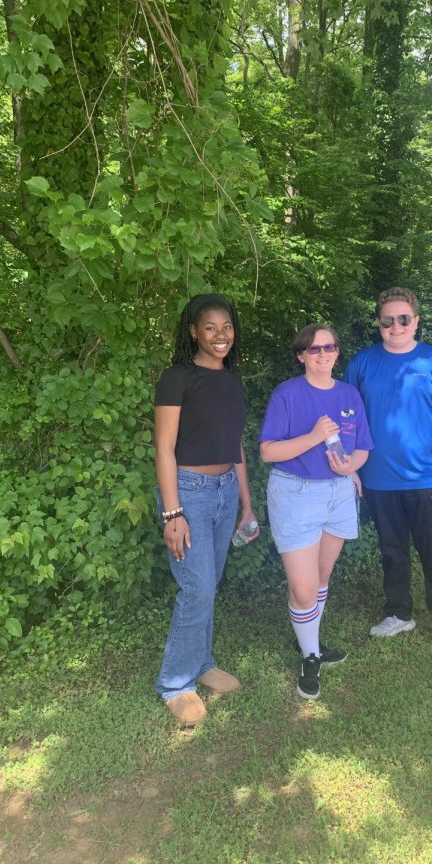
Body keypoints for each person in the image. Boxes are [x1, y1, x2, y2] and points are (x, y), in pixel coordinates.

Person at [154, 293, 259, 726]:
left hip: (224, 489)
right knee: (196, 587)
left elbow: (235, 446)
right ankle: (175, 683)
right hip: (188, 491)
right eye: (210, 328)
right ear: (193, 331)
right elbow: (163, 448)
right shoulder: (177, 377)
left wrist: (247, 502)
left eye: (227, 327)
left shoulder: (232, 382)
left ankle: (201, 664)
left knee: (209, 583)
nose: (221, 336)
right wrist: (172, 513)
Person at [344, 287, 432, 657]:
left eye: (403, 319)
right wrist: (350, 467)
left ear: (416, 321)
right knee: (391, 551)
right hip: (377, 478)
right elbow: (348, 418)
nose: (395, 326)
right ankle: (399, 613)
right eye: (387, 320)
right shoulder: (361, 364)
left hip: (426, 477)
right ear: (378, 322)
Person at [259, 324, 373, 700]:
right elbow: (268, 452)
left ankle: (312, 644)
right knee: (304, 588)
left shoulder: (349, 394)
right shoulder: (287, 394)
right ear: (301, 355)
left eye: (330, 347)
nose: (323, 354)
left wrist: (349, 469)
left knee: (322, 575)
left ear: (337, 351)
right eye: (314, 349)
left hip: (338, 494)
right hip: (295, 494)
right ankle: (310, 654)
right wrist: (312, 436)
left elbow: (362, 449)